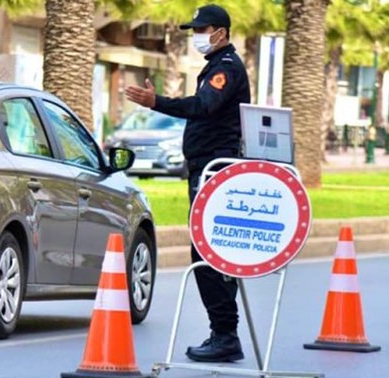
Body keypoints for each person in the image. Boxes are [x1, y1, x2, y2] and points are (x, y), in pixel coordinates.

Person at [125, 4, 250, 363]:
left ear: (220, 33)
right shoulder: (216, 66)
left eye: (202, 29)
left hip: (214, 171)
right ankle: (224, 333)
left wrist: (156, 102)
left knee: (209, 253)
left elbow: (202, 107)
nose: (197, 35)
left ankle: (225, 334)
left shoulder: (226, 68)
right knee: (209, 253)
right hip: (205, 170)